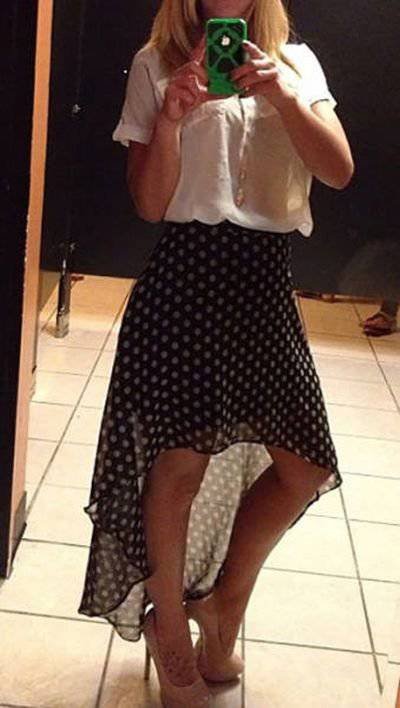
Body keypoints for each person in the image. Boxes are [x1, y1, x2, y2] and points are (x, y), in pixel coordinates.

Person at [77, 0, 354, 705]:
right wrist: (171, 119)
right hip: (186, 281)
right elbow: (148, 203)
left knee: (306, 466)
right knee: (178, 469)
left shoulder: (298, 65)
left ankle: (223, 603)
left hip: (265, 285)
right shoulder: (154, 64)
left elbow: (338, 170)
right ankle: (171, 630)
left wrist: (284, 96)